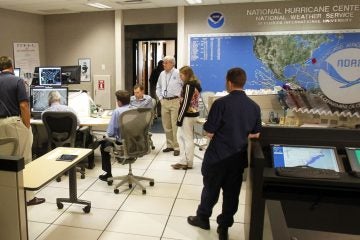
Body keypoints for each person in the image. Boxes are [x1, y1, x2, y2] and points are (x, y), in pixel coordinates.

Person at [187, 67, 261, 240]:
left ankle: (203, 218)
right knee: (231, 194)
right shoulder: (254, 107)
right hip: (237, 158)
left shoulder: (220, 104)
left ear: (229, 82)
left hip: (217, 157)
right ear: (243, 82)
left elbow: (209, 132)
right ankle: (224, 227)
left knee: (210, 190)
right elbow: (256, 134)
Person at [0, 56, 45, 206]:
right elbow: (24, 106)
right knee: (25, 160)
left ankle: (8, 196)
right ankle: (29, 197)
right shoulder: (17, 81)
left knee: (5, 161)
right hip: (14, 122)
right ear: (11, 67)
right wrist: (27, 126)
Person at [171, 66, 202, 170]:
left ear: (187, 75)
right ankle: (184, 160)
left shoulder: (189, 85)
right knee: (180, 136)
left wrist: (179, 118)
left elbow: (185, 103)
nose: (180, 77)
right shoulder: (195, 84)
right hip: (191, 114)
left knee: (187, 139)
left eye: (181, 75)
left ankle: (187, 162)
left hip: (187, 116)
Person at [98, 90, 130, 181]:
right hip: (135, 142)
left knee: (103, 145)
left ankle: (108, 174)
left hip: (122, 143)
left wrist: (105, 136)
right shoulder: (134, 109)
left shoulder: (117, 112)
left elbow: (111, 133)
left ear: (119, 101)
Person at [156, 56, 183, 156]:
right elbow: (158, 87)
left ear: (172, 63)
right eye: (163, 63)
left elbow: (184, 86)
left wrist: (181, 97)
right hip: (165, 102)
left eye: (166, 63)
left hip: (175, 101)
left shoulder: (178, 73)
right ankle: (169, 145)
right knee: (166, 125)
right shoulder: (162, 74)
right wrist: (160, 99)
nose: (164, 64)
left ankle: (177, 146)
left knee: (175, 125)